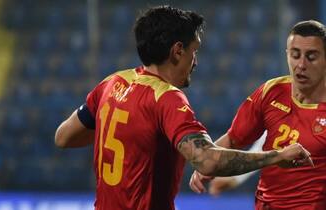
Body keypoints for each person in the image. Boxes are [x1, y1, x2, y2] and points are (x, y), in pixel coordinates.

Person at [54, 6, 312, 210]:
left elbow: (64, 136)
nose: (195, 61)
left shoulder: (111, 83)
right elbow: (207, 161)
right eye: (193, 51)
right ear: (177, 51)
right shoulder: (166, 98)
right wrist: (277, 156)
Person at [190, 20, 326, 210]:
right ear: (287, 55)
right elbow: (233, 139)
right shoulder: (271, 92)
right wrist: (208, 162)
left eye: (311, 57)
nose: (301, 64)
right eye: (295, 55)